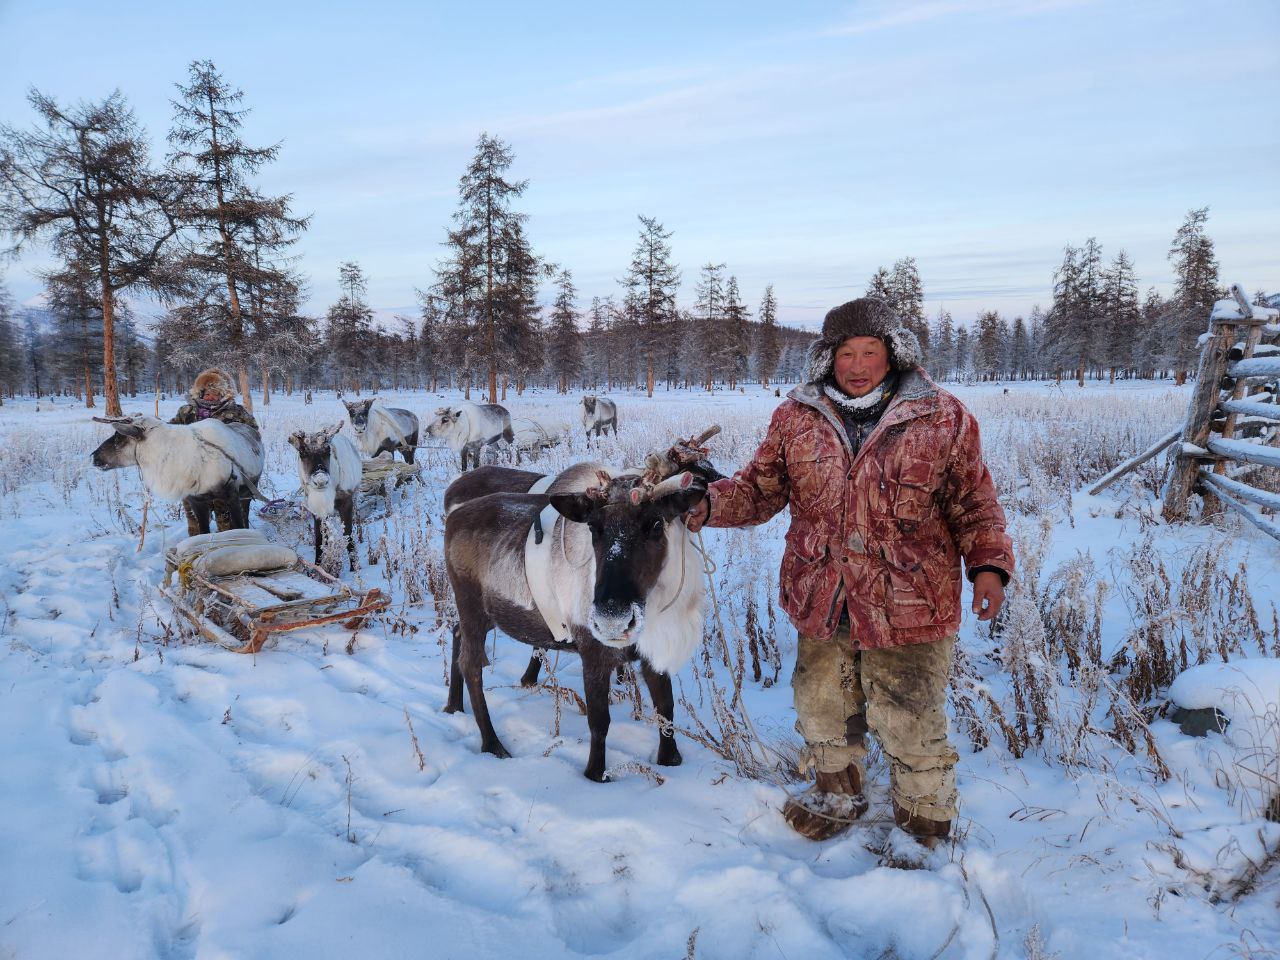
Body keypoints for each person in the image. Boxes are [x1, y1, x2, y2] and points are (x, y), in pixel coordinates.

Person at [686, 298, 1013, 850]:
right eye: (846, 353)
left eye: (870, 352)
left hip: (910, 599)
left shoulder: (942, 416)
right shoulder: (795, 418)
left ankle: (924, 825)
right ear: (827, 358)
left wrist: (989, 567)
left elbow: (974, 502)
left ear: (893, 355)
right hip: (824, 593)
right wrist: (706, 505)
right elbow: (759, 489)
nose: (858, 365)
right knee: (823, 705)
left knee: (909, 713)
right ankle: (838, 795)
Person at [170, 368, 260, 536]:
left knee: (227, 525)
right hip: (192, 475)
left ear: (223, 394)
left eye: (216, 393)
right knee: (196, 523)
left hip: (224, 475)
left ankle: (226, 551)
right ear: (200, 393)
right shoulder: (187, 412)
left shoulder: (237, 412)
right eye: (207, 394)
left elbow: (252, 434)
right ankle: (199, 550)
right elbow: (171, 434)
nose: (211, 397)